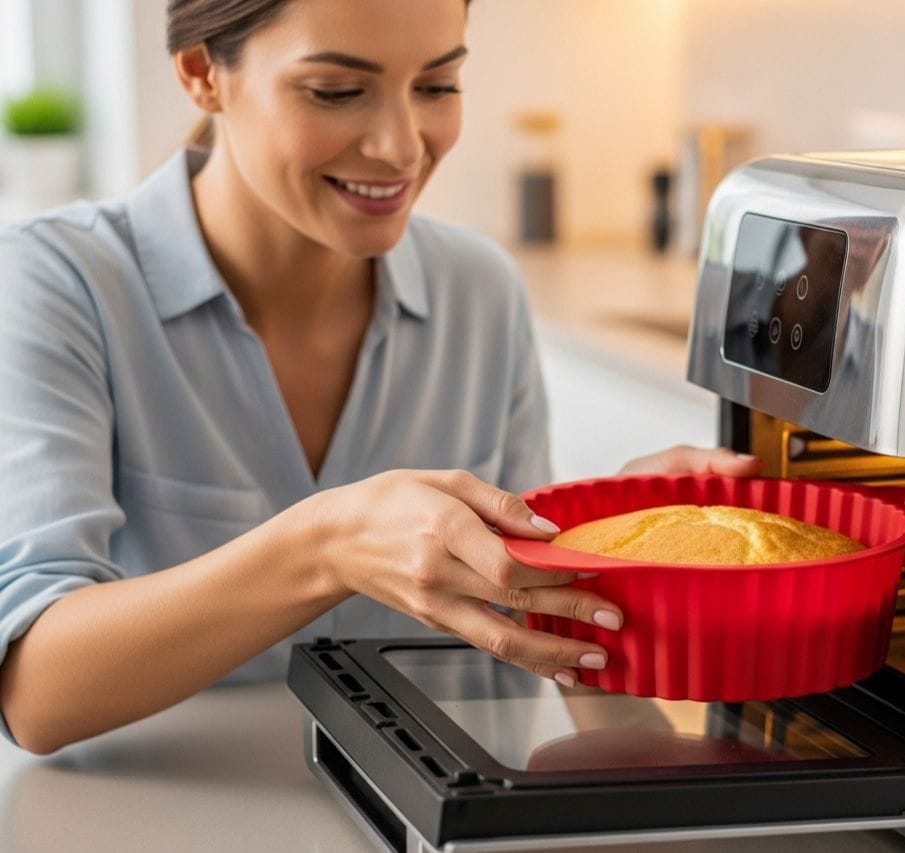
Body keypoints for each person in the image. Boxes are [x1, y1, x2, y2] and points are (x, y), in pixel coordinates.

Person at [0, 0, 760, 756]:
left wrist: (609, 543)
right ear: (203, 73)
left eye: (436, 87)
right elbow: (34, 691)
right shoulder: (58, 283)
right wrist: (324, 545)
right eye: (334, 91)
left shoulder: (478, 289)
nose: (402, 147)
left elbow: (531, 621)